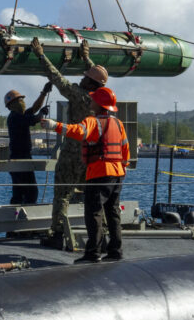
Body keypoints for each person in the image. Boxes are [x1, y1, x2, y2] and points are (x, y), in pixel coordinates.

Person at [30, 36, 108, 250]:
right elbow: (98, 81)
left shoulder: (80, 95)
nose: (82, 79)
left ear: (89, 83)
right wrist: (87, 59)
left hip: (73, 152)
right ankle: (103, 234)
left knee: (62, 193)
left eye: (85, 78)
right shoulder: (102, 99)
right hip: (92, 155)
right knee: (94, 196)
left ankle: (56, 233)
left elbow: (57, 78)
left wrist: (41, 55)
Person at [41, 87, 129, 263]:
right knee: (112, 213)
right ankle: (115, 251)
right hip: (117, 174)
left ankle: (93, 253)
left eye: (94, 100)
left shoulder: (92, 122)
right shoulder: (119, 124)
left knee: (94, 213)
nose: (91, 102)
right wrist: (122, 168)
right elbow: (125, 149)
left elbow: (77, 131)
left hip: (99, 173)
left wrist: (54, 125)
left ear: (100, 104)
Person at [4, 83, 53, 204]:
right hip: (19, 158)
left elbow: (34, 108)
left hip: (22, 157)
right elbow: (34, 119)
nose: (22, 102)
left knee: (19, 191)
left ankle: (15, 214)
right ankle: (20, 213)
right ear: (10, 106)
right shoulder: (14, 117)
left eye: (21, 100)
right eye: (18, 100)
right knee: (31, 192)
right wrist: (41, 114)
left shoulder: (20, 115)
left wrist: (44, 92)